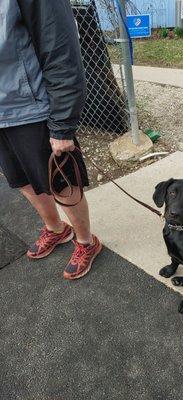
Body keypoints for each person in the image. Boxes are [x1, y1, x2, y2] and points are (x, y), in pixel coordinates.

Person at [0, 0, 102, 279]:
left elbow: (60, 48)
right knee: (20, 180)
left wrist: (62, 124)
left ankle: (86, 241)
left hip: (32, 107)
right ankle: (57, 229)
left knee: (62, 182)